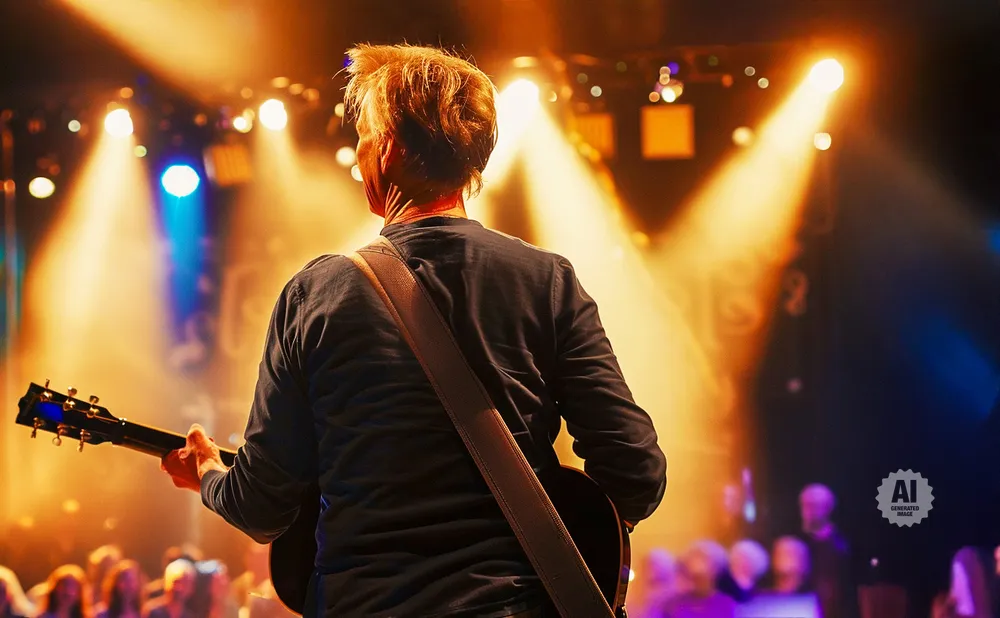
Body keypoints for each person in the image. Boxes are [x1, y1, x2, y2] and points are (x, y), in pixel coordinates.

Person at [162, 43, 667, 617]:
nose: (358, 155)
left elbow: (261, 507)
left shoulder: (316, 295)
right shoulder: (546, 281)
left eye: (364, 137)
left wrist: (205, 473)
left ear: (391, 148)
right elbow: (635, 470)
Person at [799, 483, 855, 618]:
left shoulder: (841, 545)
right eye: (804, 505)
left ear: (827, 509)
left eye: (813, 505)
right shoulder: (796, 542)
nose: (808, 512)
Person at [664, 543, 736, 618]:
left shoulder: (725, 604)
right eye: (693, 577)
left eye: (700, 578)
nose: (695, 583)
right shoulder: (674, 605)